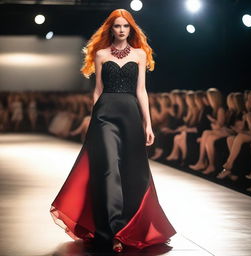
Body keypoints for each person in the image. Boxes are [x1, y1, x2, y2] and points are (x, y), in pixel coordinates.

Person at [49, 9, 177, 253]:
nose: (121, 30)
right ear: (111, 29)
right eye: (117, 26)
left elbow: (141, 91)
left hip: (130, 115)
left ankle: (128, 227)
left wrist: (147, 124)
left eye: (125, 26)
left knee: (131, 171)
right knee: (108, 170)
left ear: (131, 29)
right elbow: (97, 90)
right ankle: (111, 231)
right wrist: (94, 115)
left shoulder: (140, 55)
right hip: (104, 115)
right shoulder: (100, 54)